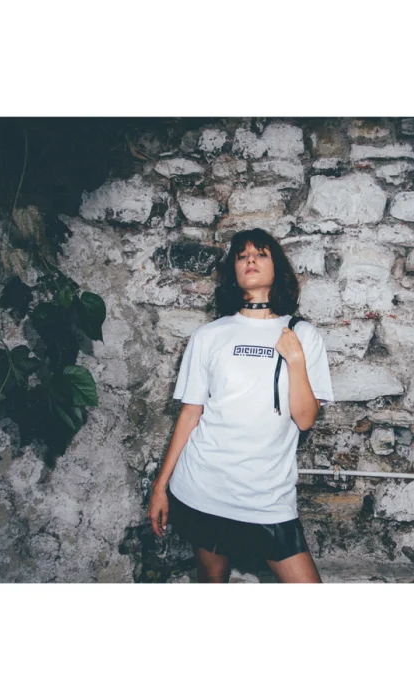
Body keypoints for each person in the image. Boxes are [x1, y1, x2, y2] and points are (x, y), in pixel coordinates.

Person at [147, 228, 335, 583]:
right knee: (212, 577)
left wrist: (295, 360)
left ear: (277, 269)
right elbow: (191, 413)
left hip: (266, 495)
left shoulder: (303, 335)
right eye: (242, 255)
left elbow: (305, 419)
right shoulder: (210, 336)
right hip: (205, 485)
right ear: (233, 271)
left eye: (261, 254)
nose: (250, 260)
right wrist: (160, 487)